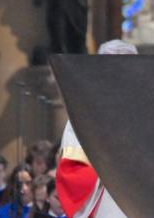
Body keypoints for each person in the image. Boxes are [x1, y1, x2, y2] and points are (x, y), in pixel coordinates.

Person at [55, 39, 135, 218]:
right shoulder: (84, 116)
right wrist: (111, 165)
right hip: (109, 197)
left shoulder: (151, 113)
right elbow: (73, 170)